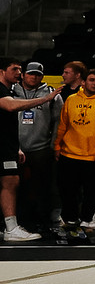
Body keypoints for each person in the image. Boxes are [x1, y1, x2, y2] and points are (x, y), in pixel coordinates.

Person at [55, 66, 95, 241]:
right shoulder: (71, 99)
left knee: (91, 192)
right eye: (92, 80)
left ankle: (88, 220)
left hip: (93, 156)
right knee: (68, 191)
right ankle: (70, 220)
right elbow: (63, 124)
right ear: (83, 82)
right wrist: (57, 146)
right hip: (69, 153)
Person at [0, 60, 60, 242]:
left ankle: (10, 226)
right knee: (10, 183)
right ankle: (11, 228)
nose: (18, 73)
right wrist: (45, 99)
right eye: (14, 69)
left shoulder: (7, 90)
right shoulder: (3, 90)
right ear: (2, 71)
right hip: (3, 146)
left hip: (15, 146)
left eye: (20, 69)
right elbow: (11, 106)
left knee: (12, 183)